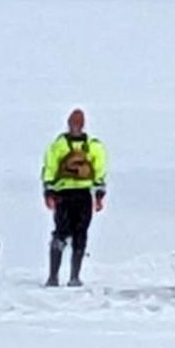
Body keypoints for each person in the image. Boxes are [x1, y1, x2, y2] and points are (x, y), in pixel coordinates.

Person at [41, 108, 107, 287]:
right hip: (80, 195)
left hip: (66, 194)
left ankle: (57, 276)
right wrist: (99, 194)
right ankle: (71, 277)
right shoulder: (92, 145)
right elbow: (99, 170)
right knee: (77, 233)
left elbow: (50, 168)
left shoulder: (59, 145)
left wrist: (48, 190)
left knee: (63, 233)